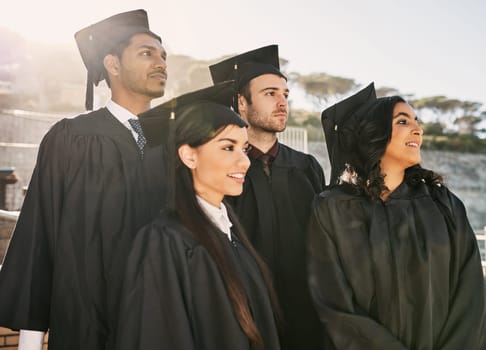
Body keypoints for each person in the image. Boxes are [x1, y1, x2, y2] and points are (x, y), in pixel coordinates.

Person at [0, 9, 168, 350]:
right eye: (147, 53)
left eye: (164, 56)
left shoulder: (178, 144)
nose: (162, 63)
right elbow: (39, 235)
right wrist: (30, 342)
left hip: (164, 325)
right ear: (113, 64)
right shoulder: (71, 138)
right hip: (85, 326)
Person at [307, 83, 485, 349]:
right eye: (403, 121)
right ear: (374, 133)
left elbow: (471, 296)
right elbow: (334, 304)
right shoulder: (332, 209)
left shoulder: (444, 205)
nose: (418, 129)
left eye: (417, 122)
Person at [114, 81, 281, 350]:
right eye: (228, 147)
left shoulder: (231, 233)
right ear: (188, 156)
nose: (245, 161)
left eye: (245, 149)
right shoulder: (165, 242)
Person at [209, 45, 326, 349]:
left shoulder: (306, 167)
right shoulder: (220, 167)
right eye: (270, 93)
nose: (282, 102)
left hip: (305, 320)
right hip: (243, 316)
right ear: (241, 103)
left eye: (285, 95)